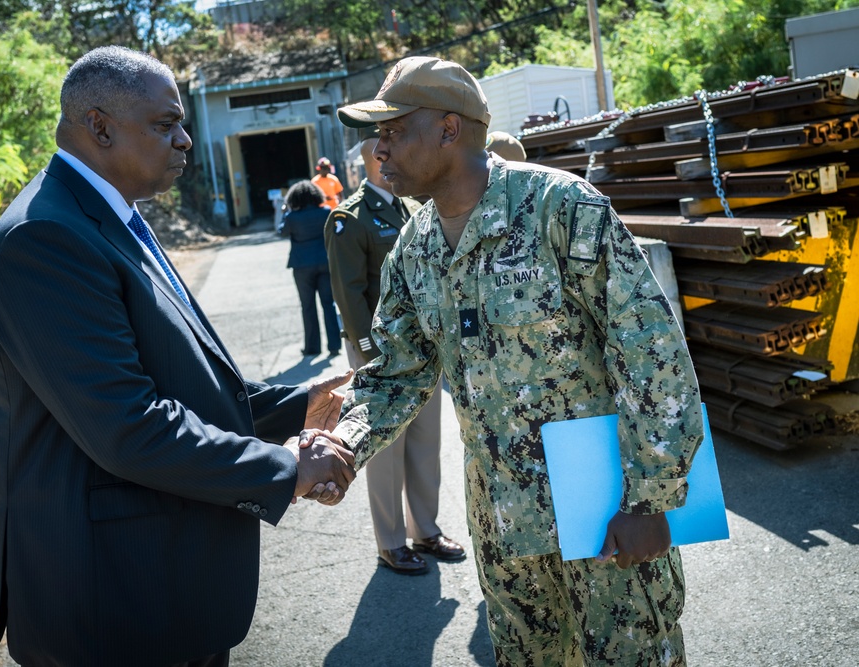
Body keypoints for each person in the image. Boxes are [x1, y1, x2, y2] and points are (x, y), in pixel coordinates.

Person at [0, 46, 356, 667]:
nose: (183, 140)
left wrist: (301, 403)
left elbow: (185, 380)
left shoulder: (109, 217)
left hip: (161, 588)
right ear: (98, 126)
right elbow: (128, 426)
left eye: (182, 125)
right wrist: (283, 467)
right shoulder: (42, 238)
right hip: (112, 605)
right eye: (164, 124)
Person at [314, 56, 705, 666]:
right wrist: (343, 446)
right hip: (503, 522)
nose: (377, 146)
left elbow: (653, 354)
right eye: (375, 134)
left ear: (448, 129)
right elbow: (396, 373)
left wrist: (651, 500)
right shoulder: (414, 248)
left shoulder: (559, 206)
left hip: (605, 510)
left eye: (392, 130)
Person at [324, 137, 465, 575]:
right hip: (380, 352)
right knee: (386, 447)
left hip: (421, 348)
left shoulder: (410, 208)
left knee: (424, 443)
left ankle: (426, 528)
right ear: (374, 162)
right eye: (386, 153)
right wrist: (370, 353)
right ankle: (391, 541)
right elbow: (348, 293)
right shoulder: (350, 218)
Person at [278, 180, 341, 357]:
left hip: (302, 265)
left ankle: (312, 347)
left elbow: (281, 232)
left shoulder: (291, 218)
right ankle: (334, 346)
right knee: (329, 304)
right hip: (324, 262)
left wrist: (285, 213)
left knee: (308, 306)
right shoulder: (326, 212)